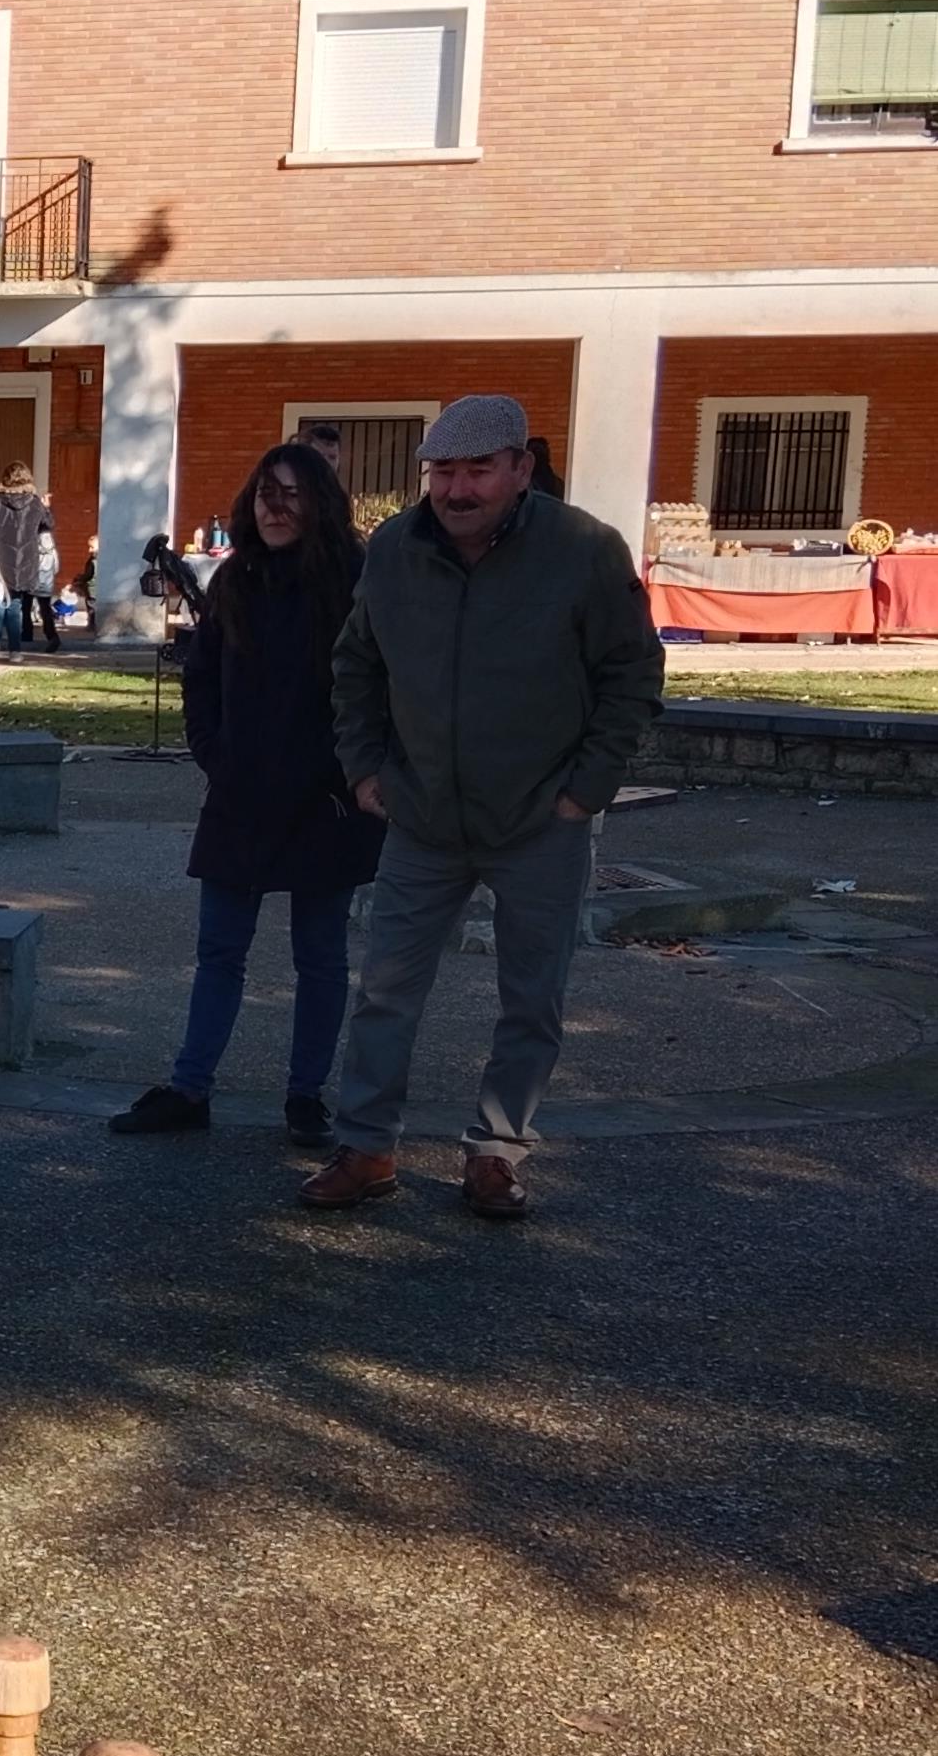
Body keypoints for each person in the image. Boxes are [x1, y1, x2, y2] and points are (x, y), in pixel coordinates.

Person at [304, 394, 663, 1221]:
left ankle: (497, 1152)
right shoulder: (395, 548)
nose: (457, 490)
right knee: (386, 990)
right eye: (442, 471)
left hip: (543, 818)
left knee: (533, 996)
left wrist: (587, 790)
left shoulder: (582, 551)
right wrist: (364, 769)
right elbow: (355, 665)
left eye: (477, 470)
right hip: (423, 818)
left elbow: (633, 673)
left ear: (521, 469)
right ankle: (366, 1146)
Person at [110, 443, 379, 1149]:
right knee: (219, 951)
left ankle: (305, 1096)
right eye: (266, 494)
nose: (277, 507)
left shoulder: (356, 580)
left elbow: (380, 687)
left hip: (327, 801)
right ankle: (190, 1087)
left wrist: (351, 772)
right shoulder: (236, 580)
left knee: (320, 956)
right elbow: (202, 676)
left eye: (292, 493)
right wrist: (214, 754)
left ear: (320, 500)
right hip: (242, 794)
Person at [0, 461, 49, 662]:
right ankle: (15, 651)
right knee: (15, 607)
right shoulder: (35, 503)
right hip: (24, 561)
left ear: (5, 479)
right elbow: (48, 525)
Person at [29, 513, 64, 651]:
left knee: (26, 608)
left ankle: (26, 634)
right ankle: (51, 635)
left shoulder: (33, 546)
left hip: (32, 580)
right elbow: (56, 567)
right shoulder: (52, 549)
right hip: (47, 583)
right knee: (45, 610)